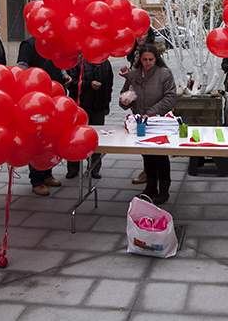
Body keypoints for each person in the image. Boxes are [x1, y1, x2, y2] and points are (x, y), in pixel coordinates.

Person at [119, 44, 177, 204]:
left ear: (156, 59)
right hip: (140, 122)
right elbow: (125, 96)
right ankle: (151, 187)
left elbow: (170, 97)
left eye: (150, 59)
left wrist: (151, 112)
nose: (147, 63)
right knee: (147, 154)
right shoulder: (133, 75)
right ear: (140, 60)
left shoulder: (164, 73)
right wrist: (124, 101)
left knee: (160, 156)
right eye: (144, 59)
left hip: (158, 122)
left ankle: (164, 190)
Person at [16, 37, 72, 195]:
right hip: (36, 101)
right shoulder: (29, 44)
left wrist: (64, 75)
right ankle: (37, 179)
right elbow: (21, 69)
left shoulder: (55, 43)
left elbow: (58, 62)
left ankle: (47, 173)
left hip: (55, 97)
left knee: (52, 138)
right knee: (37, 140)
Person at [120, 27, 163, 185]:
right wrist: (129, 74)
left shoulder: (153, 50)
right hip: (138, 97)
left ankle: (151, 173)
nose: (139, 37)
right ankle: (149, 171)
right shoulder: (134, 52)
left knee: (152, 138)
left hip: (151, 98)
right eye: (136, 34)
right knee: (142, 136)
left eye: (143, 33)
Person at [66, 57, 113, 180]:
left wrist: (106, 104)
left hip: (98, 107)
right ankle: (73, 167)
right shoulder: (77, 62)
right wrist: (88, 84)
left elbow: (109, 84)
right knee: (75, 138)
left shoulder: (105, 63)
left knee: (95, 138)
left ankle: (94, 167)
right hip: (81, 107)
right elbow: (71, 84)